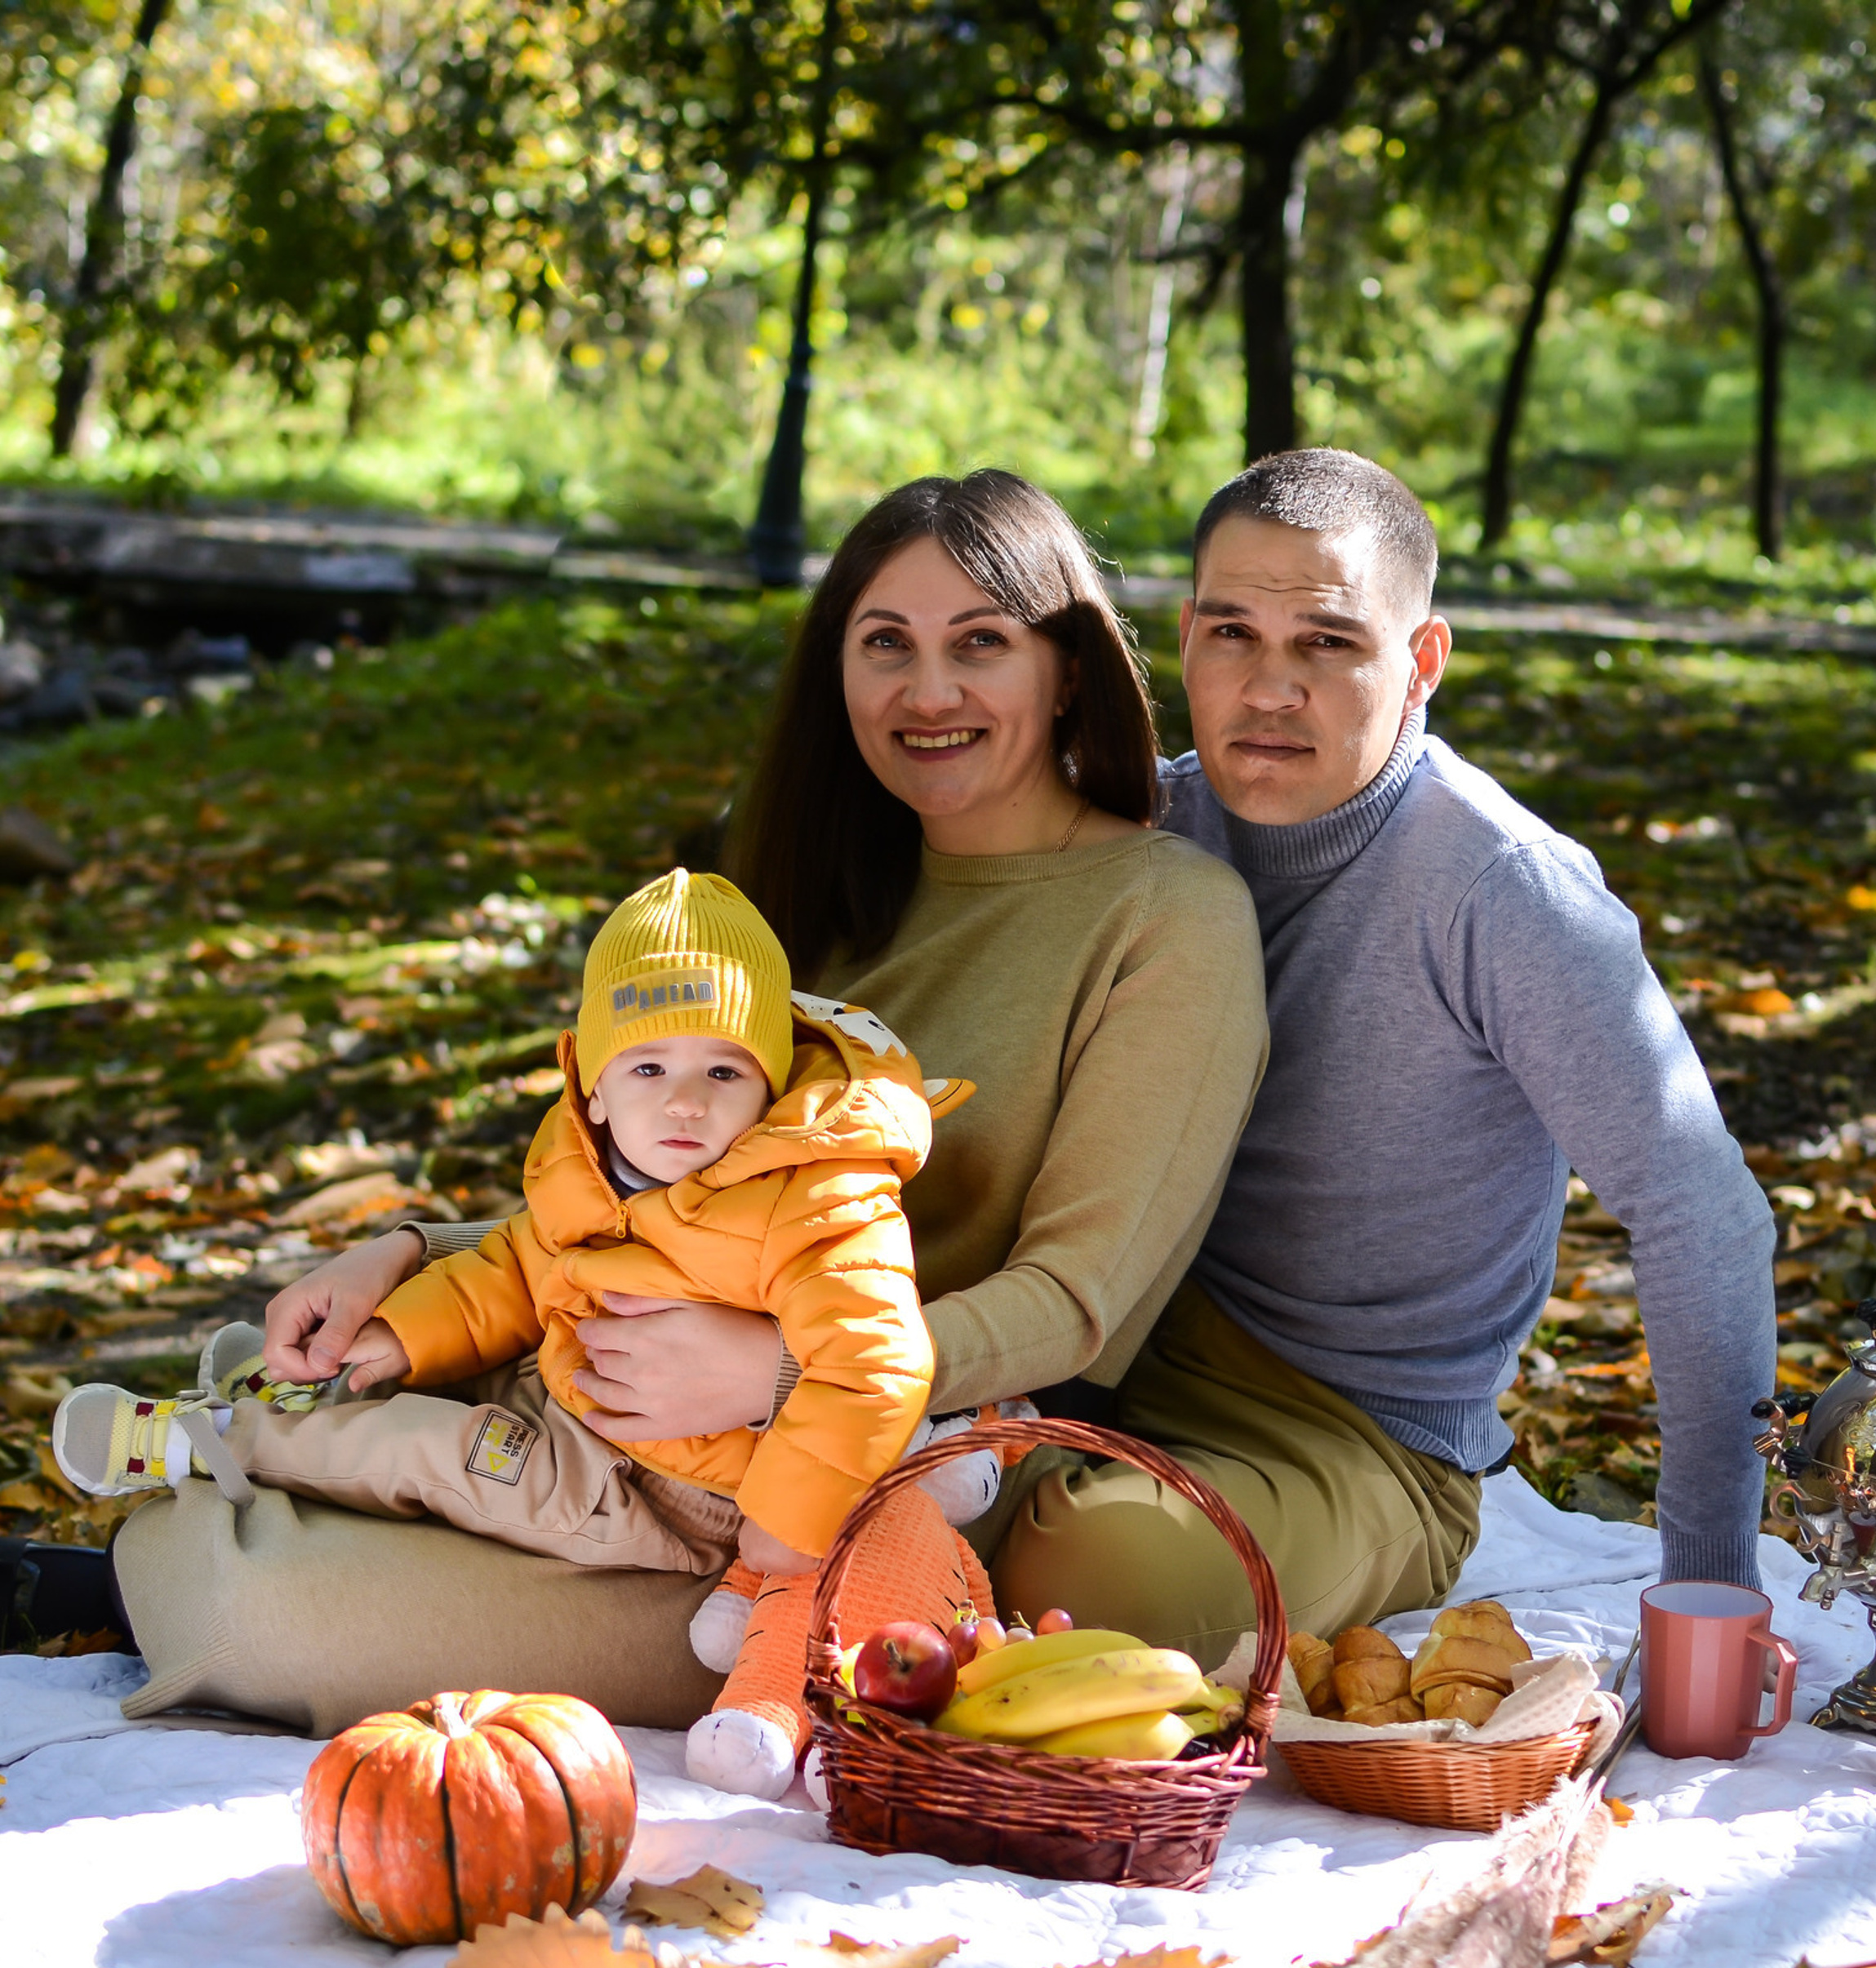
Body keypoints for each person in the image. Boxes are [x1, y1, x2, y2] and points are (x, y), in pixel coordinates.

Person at [109, 469, 1268, 1738]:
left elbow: (1081, 1304)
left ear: (1066, 670)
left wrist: (779, 1374)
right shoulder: (795, 894)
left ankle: (238, 1525)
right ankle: (244, 1464)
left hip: (850, 1468)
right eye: (885, 645)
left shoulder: (1165, 919)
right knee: (308, 1374)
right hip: (605, 1390)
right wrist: (405, 1252)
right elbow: (650, 1174)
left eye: (980, 644)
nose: (927, 693)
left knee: (256, 1617)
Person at [990, 449, 1777, 1664]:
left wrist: (1714, 1591)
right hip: (1096, 1345)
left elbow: (1700, 1212)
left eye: (1328, 643)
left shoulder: (1504, 893)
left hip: (1351, 1432)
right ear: (1184, 637)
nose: (1269, 689)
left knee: (1091, 1574)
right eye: (1235, 634)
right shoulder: (1148, 829)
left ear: (1420, 665)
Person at [62, 867, 1000, 1794]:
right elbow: (517, 1263)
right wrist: (405, 1327)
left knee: (440, 1452)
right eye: (648, 1067)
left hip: (679, 1492)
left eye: (724, 1070)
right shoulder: (588, 1165)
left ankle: (226, 1442)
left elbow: (876, 1357)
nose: (685, 1101)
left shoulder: (817, 1197)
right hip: (572, 1400)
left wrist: (787, 1524)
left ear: (772, 1084)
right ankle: (252, 1408)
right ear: (591, 1087)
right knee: (396, 1403)